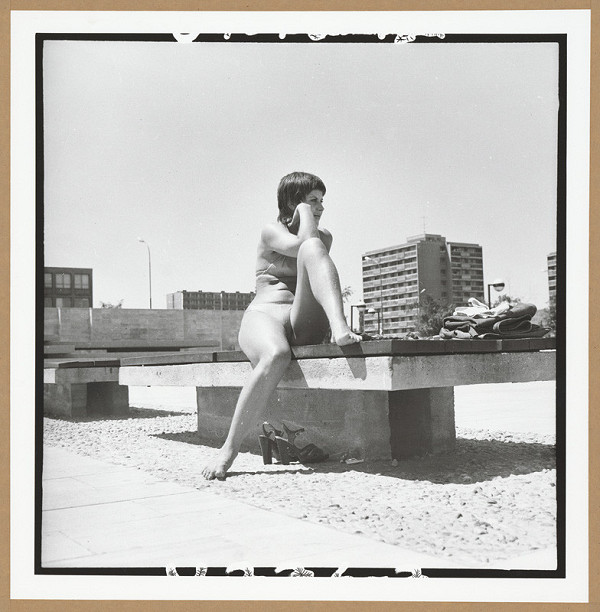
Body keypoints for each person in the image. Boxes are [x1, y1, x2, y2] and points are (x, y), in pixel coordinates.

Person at [201, 172, 362, 480]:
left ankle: (340, 326)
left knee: (314, 248)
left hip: (302, 318)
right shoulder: (270, 231)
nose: (321, 207)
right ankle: (228, 450)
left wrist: (305, 211)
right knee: (275, 355)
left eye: (322, 200)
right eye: (313, 200)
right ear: (292, 202)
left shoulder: (323, 237)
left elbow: (310, 245)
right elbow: (301, 242)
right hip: (265, 314)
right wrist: (302, 211)